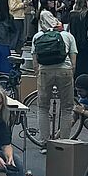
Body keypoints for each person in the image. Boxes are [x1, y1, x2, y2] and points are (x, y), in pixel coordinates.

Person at [32, 13, 77, 141]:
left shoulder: (38, 36)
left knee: (43, 107)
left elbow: (35, 59)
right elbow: (73, 58)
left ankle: (45, 142)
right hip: (65, 71)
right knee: (67, 108)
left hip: (45, 71)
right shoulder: (68, 36)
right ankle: (64, 142)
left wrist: (38, 73)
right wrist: (71, 72)